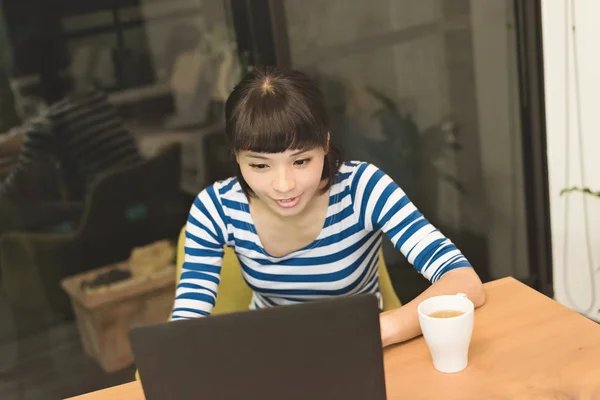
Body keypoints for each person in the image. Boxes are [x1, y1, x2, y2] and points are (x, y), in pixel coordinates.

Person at [172, 66, 485, 347]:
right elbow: (186, 324)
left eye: (301, 161)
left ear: (324, 144)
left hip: (362, 349)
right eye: (260, 166)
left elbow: (464, 281)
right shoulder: (216, 208)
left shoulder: (362, 188)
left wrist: (378, 331)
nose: (284, 185)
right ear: (237, 158)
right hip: (269, 356)